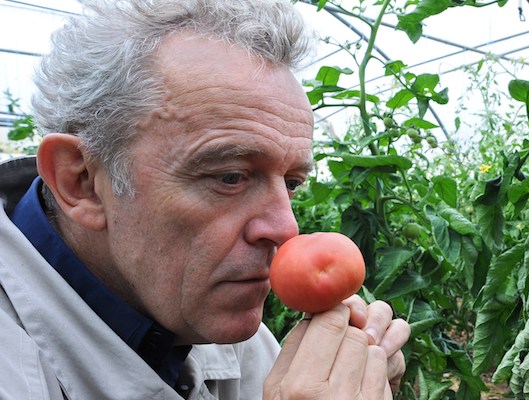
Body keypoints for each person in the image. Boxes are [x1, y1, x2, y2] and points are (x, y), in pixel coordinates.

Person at [0, 0, 410, 398]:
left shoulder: (221, 330)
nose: (287, 229)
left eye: (291, 183)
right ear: (83, 183)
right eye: (229, 177)